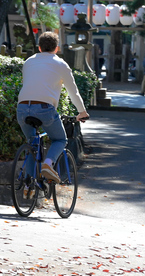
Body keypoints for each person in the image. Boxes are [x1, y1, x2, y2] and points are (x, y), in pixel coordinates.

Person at [16, 32, 89, 184]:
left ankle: (28, 184)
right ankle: (48, 165)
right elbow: (73, 92)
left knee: (32, 142)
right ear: (56, 48)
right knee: (60, 140)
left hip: (22, 108)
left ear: (39, 47)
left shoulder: (29, 61)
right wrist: (81, 111)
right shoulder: (61, 64)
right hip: (44, 108)